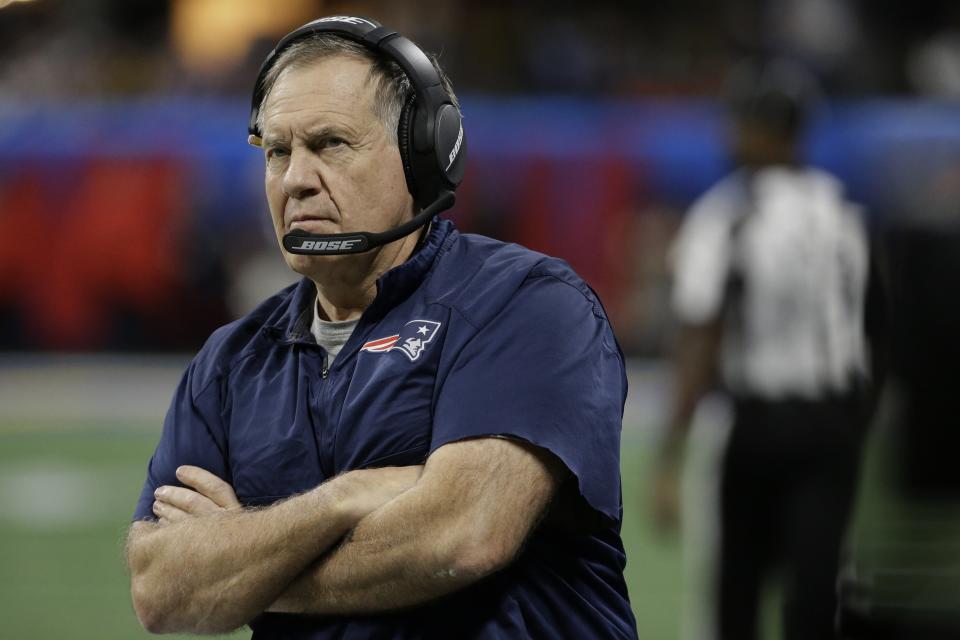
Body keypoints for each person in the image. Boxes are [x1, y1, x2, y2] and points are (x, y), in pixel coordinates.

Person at [125, 16, 638, 639]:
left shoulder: (526, 304)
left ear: (423, 154)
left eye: (331, 144)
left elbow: (461, 537)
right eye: (279, 151)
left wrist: (239, 564)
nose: (295, 180)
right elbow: (160, 592)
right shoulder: (230, 362)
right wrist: (343, 498)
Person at [651, 59, 877, 640]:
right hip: (834, 425)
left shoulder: (726, 215)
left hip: (755, 426)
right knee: (817, 593)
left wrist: (670, 455)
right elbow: (873, 330)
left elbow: (700, 335)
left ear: (761, 129)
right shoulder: (843, 214)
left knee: (734, 592)